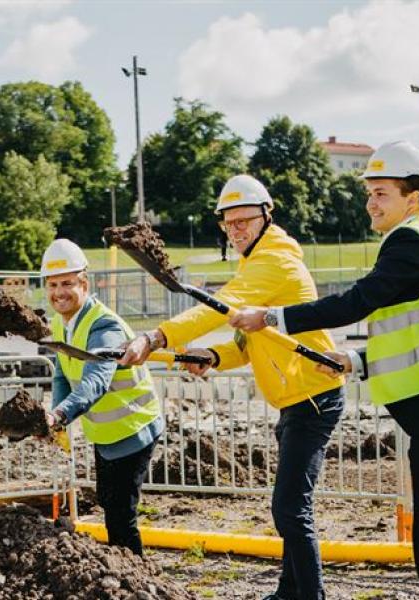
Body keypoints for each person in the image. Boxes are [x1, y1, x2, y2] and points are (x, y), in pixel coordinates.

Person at [229, 141, 419, 600]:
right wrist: (355, 360)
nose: (370, 203)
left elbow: (358, 300)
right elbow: (416, 338)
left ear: (413, 197)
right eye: (369, 193)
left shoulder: (410, 242)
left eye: (382, 193)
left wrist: (275, 316)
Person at [119, 174, 344, 600]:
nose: (237, 229)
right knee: (290, 508)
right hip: (295, 401)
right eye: (229, 223)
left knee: (291, 510)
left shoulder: (274, 261)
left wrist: (155, 337)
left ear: (266, 217)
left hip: (314, 397)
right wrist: (213, 357)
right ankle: (288, 592)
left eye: (245, 220)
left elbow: (221, 307)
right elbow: (247, 342)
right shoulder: (255, 262)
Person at [41, 238, 162, 556]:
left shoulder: (104, 326)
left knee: (121, 516)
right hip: (107, 432)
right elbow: (61, 372)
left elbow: (95, 382)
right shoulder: (61, 321)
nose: (59, 292)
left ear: (84, 283)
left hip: (133, 427)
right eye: (53, 284)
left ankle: (137, 582)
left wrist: (59, 415)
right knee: (109, 503)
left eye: (67, 283)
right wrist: (57, 415)